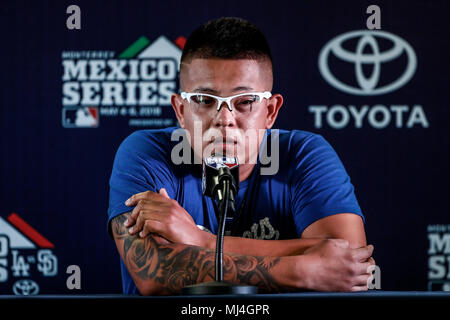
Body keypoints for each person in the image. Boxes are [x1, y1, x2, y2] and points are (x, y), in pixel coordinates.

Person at [107, 17, 375, 295]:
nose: (224, 119)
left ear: (270, 111)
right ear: (180, 111)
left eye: (245, 102)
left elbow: (351, 264)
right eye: (204, 100)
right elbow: (154, 271)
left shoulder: (304, 154)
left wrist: (202, 242)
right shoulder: (147, 153)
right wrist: (301, 268)